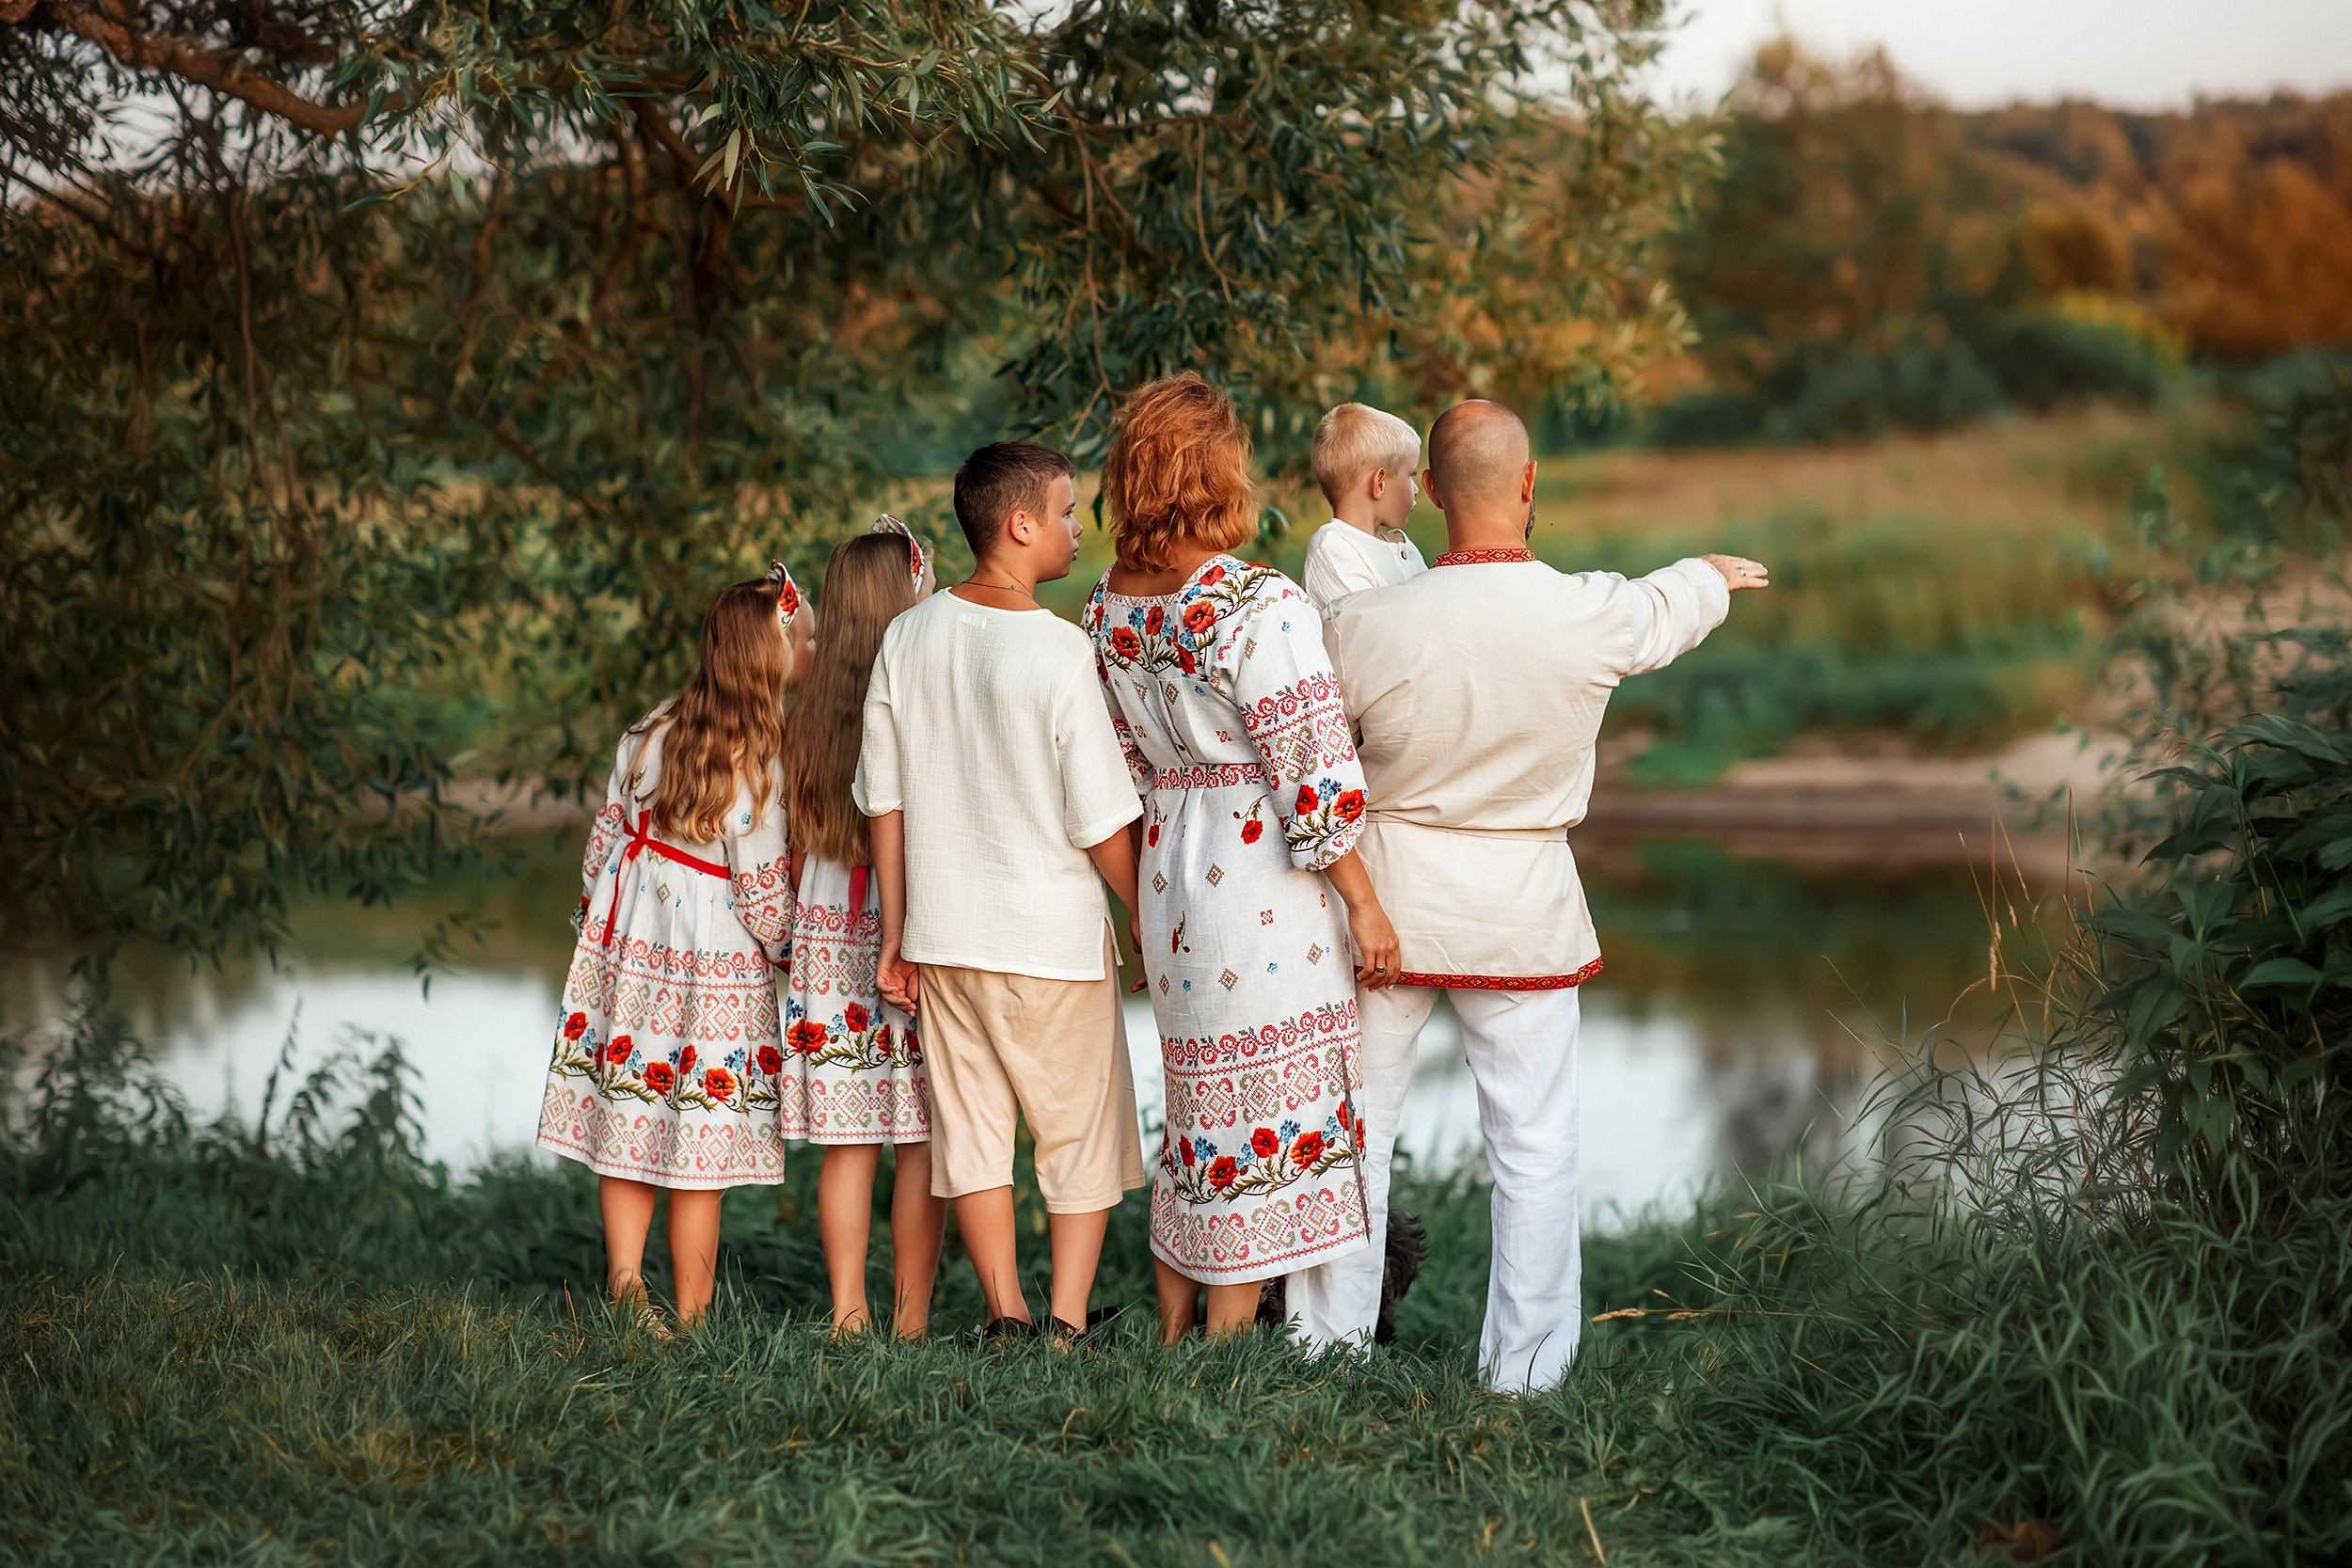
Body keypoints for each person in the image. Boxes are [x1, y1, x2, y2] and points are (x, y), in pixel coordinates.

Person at [1302, 400, 1769, 1392]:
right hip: (1523, 909)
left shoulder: (1360, 623)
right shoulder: (1590, 605)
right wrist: (1706, 576)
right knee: (1534, 1144)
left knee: (1353, 1131)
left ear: (1425, 490)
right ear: (1529, 484)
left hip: (1382, 902)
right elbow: (1662, 606)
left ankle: (1322, 1350)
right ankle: (1526, 1374)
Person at [1080, 372, 1404, 1345]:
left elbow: (1119, 769)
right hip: (1262, 881)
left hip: (1171, 875)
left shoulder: (1107, 610)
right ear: (1218, 473)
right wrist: (1366, 901)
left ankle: (1177, 1333)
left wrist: (1140, 903)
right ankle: (1225, 1353)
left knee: (1195, 1108)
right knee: (1257, 1108)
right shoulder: (1257, 601)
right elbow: (1309, 761)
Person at [858, 441, 1149, 1344]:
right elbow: (1101, 819)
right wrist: (1145, 914)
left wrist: (895, 934)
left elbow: (886, 800)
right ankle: (1064, 1321)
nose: (1075, 529)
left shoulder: (907, 636)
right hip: (1052, 939)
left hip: (946, 934)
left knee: (973, 1137)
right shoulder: (1063, 652)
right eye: (1066, 512)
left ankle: (1006, 1314)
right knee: (1080, 1135)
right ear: (1020, 524)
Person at [536, 565, 815, 1334]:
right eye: (806, 638)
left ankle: (626, 1283)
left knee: (632, 1108)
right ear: (772, 658)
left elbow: (604, 846)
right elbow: (760, 892)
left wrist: (603, 932)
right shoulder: (762, 757)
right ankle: (692, 1315)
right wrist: (796, 952)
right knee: (699, 1137)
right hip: (711, 966)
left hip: (631, 952)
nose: (814, 648)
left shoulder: (649, 729)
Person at [778, 520, 946, 1338]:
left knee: (850, 1145)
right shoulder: (917, 693)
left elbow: (795, 833)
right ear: (905, 595)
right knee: (918, 1138)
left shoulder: (805, 711)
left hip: (824, 926)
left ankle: (848, 1313)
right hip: (901, 915)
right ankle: (910, 1319)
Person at [1298, 402, 1427, 614]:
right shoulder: (1333, 549)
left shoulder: (1402, 544)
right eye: (1410, 475)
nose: (1415, 490)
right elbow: (1370, 632)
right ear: (1379, 483)